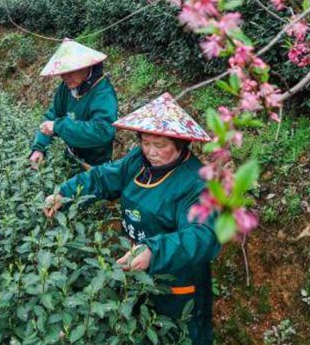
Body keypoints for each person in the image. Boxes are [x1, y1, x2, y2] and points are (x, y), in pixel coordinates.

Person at [42, 93, 219, 344]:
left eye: (160, 145)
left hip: (177, 281)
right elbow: (104, 178)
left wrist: (154, 251)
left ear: (181, 143)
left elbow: (204, 235)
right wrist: (65, 193)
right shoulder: (138, 161)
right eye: (146, 142)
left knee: (179, 334)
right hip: (138, 269)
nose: (151, 152)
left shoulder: (196, 183)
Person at [29, 38, 118, 170]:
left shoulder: (103, 92)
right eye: (62, 73)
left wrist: (60, 126)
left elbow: (103, 131)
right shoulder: (67, 87)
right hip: (70, 158)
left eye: (70, 71)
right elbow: (53, 115)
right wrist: (39, 148)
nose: (65, 77)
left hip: (95, 167)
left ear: (85, 66)